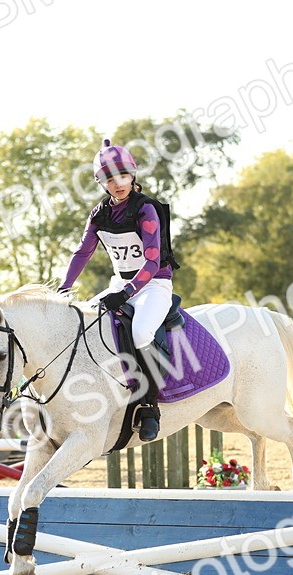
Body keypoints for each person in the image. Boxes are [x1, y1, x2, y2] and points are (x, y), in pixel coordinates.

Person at [58, 139, 174, 441]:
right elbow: (82, 253)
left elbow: (152, 260)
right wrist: (63, 289)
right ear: (102, 182)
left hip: (154, 284)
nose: (117, 183)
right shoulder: (99, 214)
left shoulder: (145, 209)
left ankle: (150, 406)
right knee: (86, 326)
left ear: (132, 175)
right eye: (109, 178)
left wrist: (126, 293)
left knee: (140, 334)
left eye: (122, 176)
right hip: (120, 283)